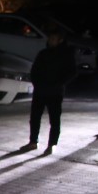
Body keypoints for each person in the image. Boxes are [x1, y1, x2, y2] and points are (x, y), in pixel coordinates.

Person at [18, 27, 77, 157]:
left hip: (55, 92)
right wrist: (37, 83)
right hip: (40, 90)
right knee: (35, 117)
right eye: (50, 38)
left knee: (54, 119)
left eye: (53, 39)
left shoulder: (66, 55)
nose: (50, 41)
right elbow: (34, 70)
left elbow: (72, 72)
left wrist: (59, 83)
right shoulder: (43, 53)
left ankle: (52, 144)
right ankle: (33, 142)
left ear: (60, 40)